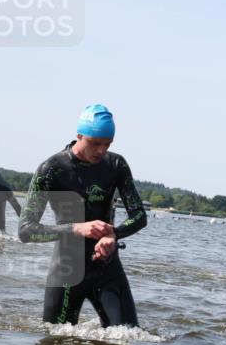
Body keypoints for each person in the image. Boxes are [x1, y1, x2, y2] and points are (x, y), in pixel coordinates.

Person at [19, 104, 148, 327]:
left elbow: (139, 215)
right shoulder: (51, 169)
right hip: (67, 271)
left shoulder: (116, 164)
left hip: (107, 267)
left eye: (107, 144)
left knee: (127, 340)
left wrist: (113, 234)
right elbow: (26, 230)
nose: (101, 151)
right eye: (95, 143)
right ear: (79, 135)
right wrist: (77, 228)